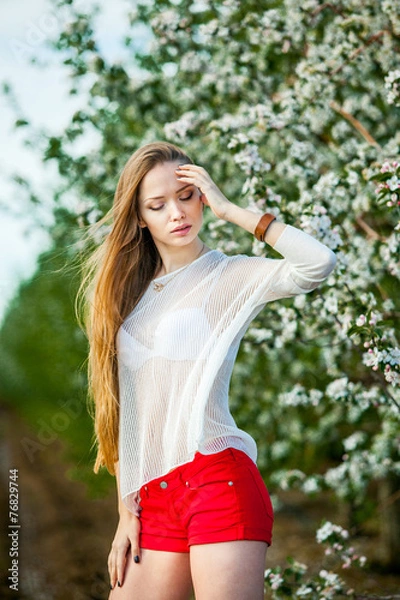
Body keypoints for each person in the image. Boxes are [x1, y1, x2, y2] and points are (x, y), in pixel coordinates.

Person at [80, 141, 336, 600]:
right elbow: (127, 413)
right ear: (140, 217)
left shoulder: (228, 276)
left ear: (202, 195)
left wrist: (232, 210)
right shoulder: (130, 299)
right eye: (157, 205)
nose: (177, 213)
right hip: (152, 495)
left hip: (218, 479)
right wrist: (126, 512)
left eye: (187, 195)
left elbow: (317, 264)